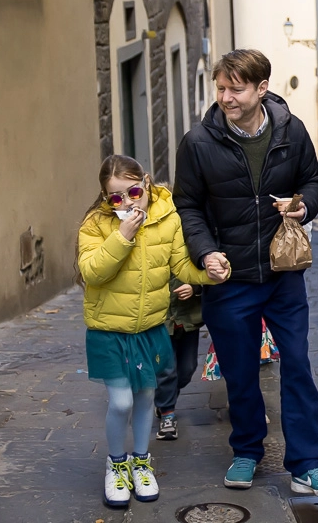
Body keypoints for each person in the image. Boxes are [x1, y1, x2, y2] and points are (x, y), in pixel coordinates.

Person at [173, 49, 318, 496]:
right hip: (228, 280)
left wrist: (304, 206)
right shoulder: (198, 142)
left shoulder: (292, 131)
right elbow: (186, 204)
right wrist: (206, 251)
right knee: (241, 372)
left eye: (236, 88)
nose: (226, 97)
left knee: (299, 367)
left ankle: (308, 464)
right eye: (221, 88)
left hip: (283, 274)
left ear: (261, 89)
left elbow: (313, 180)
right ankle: (247, 451)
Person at [77, 155, 226, 508]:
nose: (127, 203)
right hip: (108, 330)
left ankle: (141, 462)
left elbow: (179, 266)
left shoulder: (167, 217)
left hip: (149, 327)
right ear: (105, 198)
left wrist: (209, 272)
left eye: (132, 192)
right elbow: (92, 272)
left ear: (145, 182)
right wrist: (122, 236)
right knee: (122, 401)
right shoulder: (96, 224)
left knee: (145, 398)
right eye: (115, 198)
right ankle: (116, 466)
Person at [154, 277, 202, 441]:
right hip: (160, 321)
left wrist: (194, 287)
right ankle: (167, 413)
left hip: (187, 318)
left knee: (188, 369)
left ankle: (164, 398)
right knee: (167, 371)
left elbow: (204, 270)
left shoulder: (188, 251)